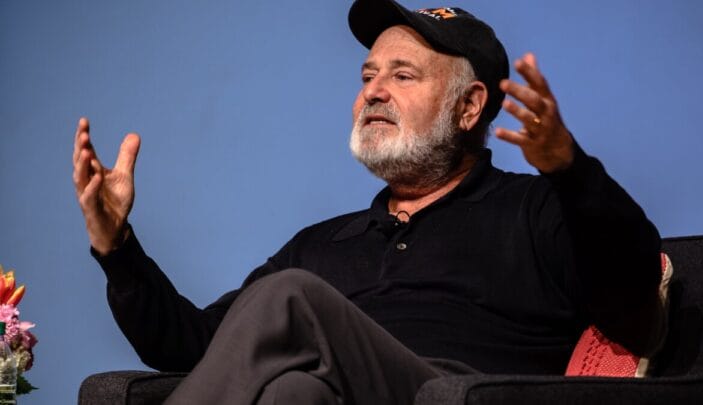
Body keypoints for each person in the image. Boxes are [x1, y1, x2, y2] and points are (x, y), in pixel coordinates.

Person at [72, 0, 664, 403]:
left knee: (289, 298)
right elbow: (195, 347)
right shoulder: (322, 245)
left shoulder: (536, 208)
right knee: (293, 392)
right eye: (367, 76)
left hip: (461, 395)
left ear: (468, 107)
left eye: (402, 76)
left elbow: (632, 298)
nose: (374, 92)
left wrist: (570, 170)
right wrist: (118, 248)